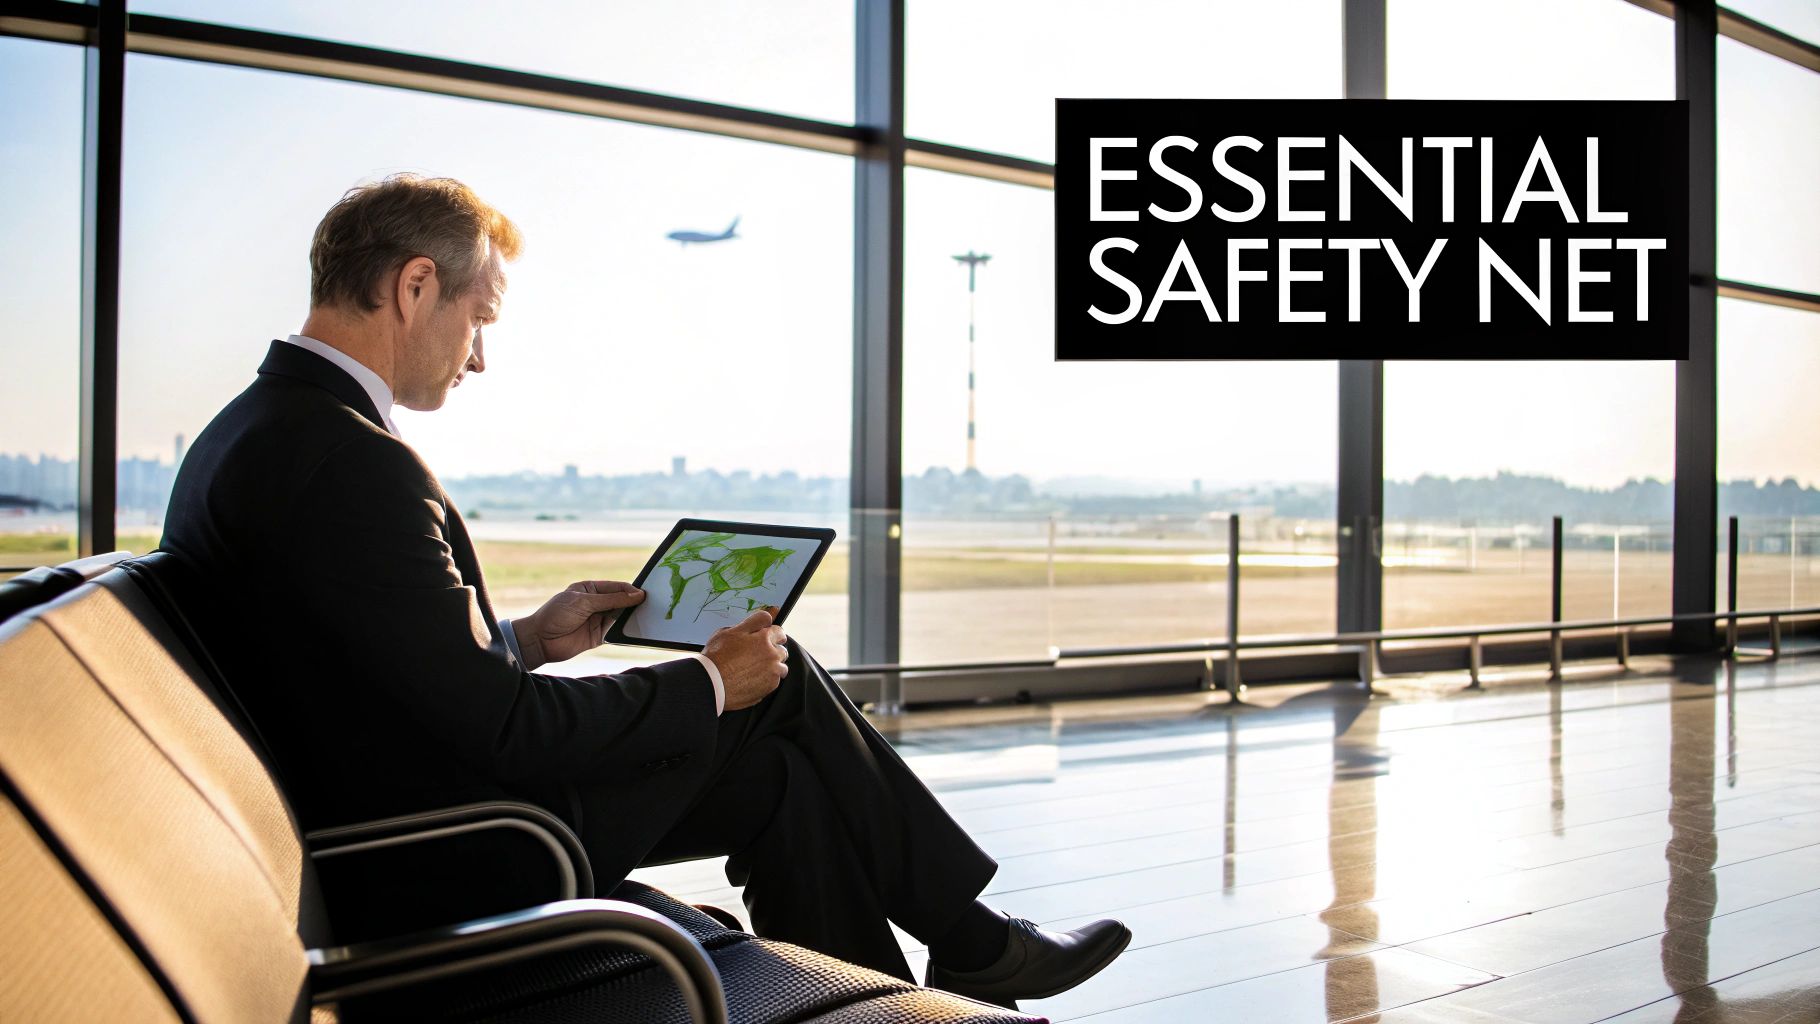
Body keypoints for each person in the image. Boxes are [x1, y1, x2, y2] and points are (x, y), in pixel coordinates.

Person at [161, 173, 1128, 1006]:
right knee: (774, 682)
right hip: (457, 848)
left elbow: (370, 662)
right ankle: (972, 938)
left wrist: (530, 638)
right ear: (417, 287)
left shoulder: (252, 431)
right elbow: (504, 732)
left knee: (781, 778)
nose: (481, 355)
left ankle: (895, 996)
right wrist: (708, 682)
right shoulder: (353, 461)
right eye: (480, 317)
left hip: (381, 823)